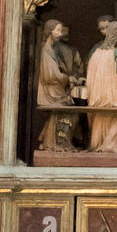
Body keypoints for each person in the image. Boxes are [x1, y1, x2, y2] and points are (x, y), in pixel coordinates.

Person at [87, 20, 117, 153]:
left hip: (97, 98)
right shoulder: (116, 54)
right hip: (114, 98)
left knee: (100, 122)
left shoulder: (96, 54)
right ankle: (111, 148)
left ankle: (98, 146)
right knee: (116, 121)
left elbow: (89, 78)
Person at [36, 19, 82, 152]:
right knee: (69, 114)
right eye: (58, 30)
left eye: (61, 31)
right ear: (49, 31)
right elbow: (51, 76)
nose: (60, 34)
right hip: (51, 92)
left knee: (66, 114)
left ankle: (54, 142)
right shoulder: (46, 51)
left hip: (57, 89)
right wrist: (68, 78)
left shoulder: (51, 49)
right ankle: (58, 143)